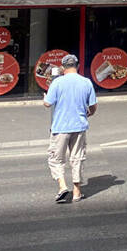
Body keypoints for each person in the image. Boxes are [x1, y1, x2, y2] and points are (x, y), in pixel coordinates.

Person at [43, 53, 96, 204]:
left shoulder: (57, 83)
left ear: (63, 67)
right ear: (77, 66)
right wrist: (88, 114)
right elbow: (93, 106)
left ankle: (62, 186)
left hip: (60, 127)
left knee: (56, 159)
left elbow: (48, 103)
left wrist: (44, 97)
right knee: (77, 158)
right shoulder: (86, 82)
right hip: (79, 126)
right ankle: (77, 192)